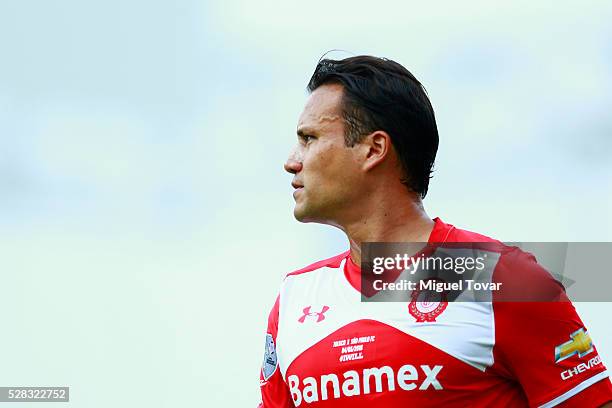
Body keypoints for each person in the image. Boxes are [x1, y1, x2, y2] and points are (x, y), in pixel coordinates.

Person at [258, 55, 612, 407]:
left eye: (309, 138)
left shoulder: (501, 278)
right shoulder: (295, 297)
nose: (292, 161)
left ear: (373, 149)